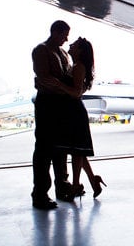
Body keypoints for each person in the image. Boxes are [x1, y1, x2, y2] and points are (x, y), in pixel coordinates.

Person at [54, 37, 107, 199]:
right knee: (79, 151)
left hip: (74, 112)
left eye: (74, 45)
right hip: (73, 111)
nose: (70, 45)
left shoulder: (78, 67)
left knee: (76, 151)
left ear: (80, 51)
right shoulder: (76, 66)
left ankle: (76, 185)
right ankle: (93, 180)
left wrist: (57, 84)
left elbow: (76, 92)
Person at [31, 20, 74, 209]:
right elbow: (44, 78)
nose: (66, 39)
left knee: (61, 148)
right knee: (44, 149)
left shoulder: (63, 53)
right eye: (65, 34)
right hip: (47, 103)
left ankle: (62, 187)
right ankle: (40, 194)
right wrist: (67, 89)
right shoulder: (41, 50)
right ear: (56, 32)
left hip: (61, 104)